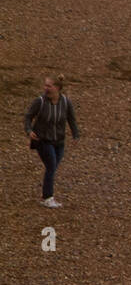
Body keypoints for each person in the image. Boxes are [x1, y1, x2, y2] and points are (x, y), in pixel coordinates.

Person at [24, 75, 81, 208]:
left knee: (52, 168)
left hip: (59, 141)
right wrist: (28, 130)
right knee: (51, 166)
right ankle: (47, 197)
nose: (46, 88)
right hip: (42, 140)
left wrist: (76, 135)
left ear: (57, 88)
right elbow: (28, 116)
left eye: (49, 86)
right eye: (45, 85)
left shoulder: (65, 102)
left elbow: (71, 119)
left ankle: (46, 195)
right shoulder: (40, 101)